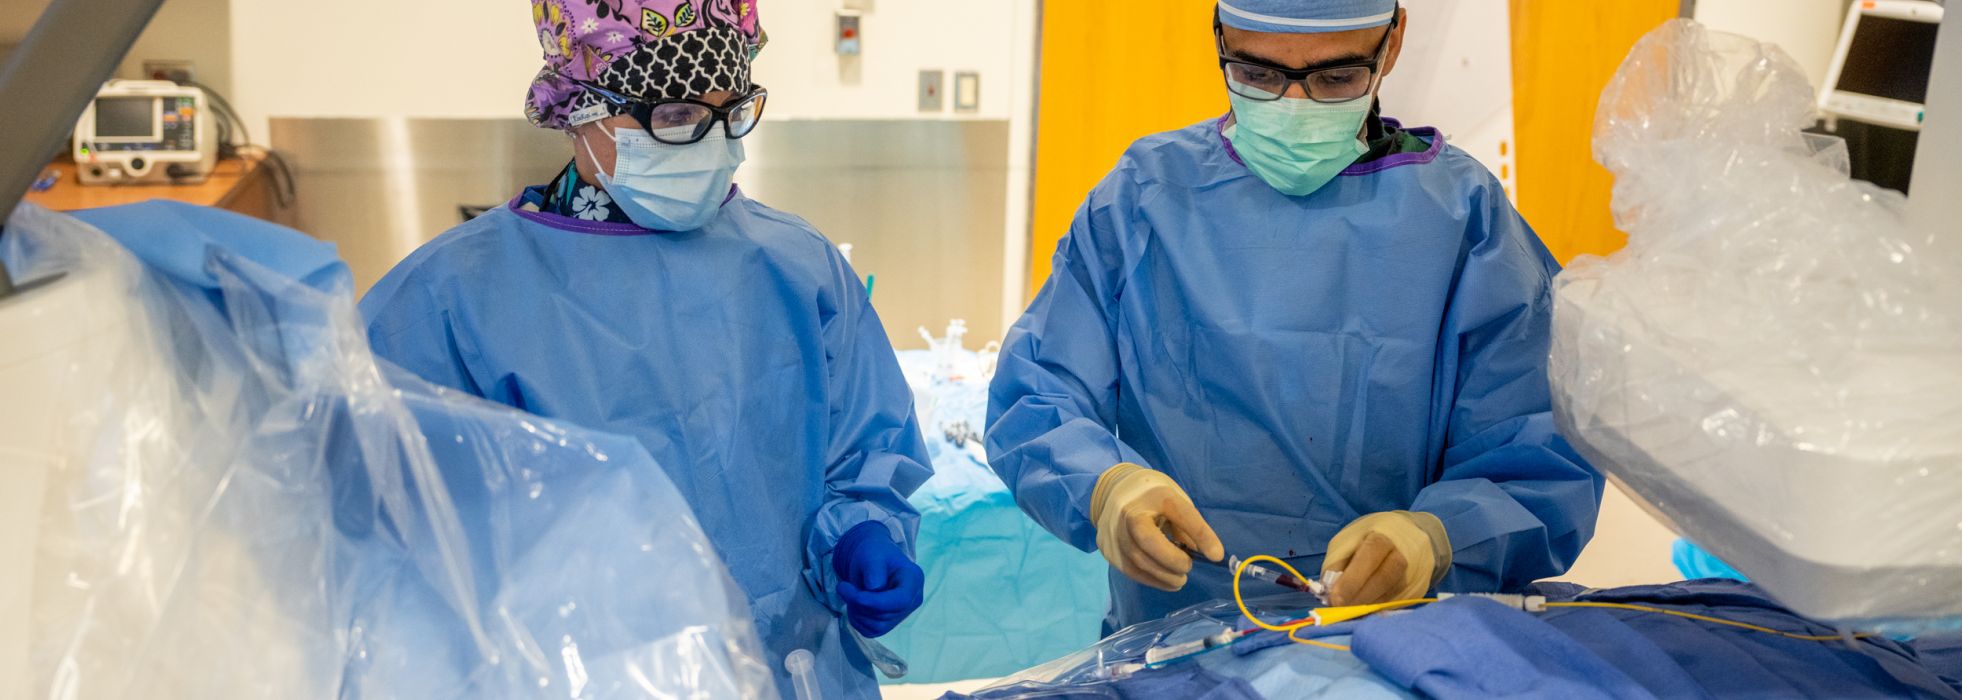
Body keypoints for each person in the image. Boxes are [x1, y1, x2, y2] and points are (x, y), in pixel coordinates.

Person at [358, 2, 929, 697]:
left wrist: (862, 534)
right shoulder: (450, 302)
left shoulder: (797, 270)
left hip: (795, 674)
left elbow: (862, 450)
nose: (714, 143)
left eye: (733, 112)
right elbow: (382, 533)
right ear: (581, 108)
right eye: (679, 117)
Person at [986, 0, 1605, 633]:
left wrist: (1438, 537)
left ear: (1391, 45)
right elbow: (1040, 389)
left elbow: (1540, 446)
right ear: (1220, 37)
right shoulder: (1145, 197)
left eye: (1335, 78)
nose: (1293, 105)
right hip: (1172, 639)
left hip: (1391, 642)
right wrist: (1103, 485)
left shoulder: (1466, 220)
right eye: (1256, 74)